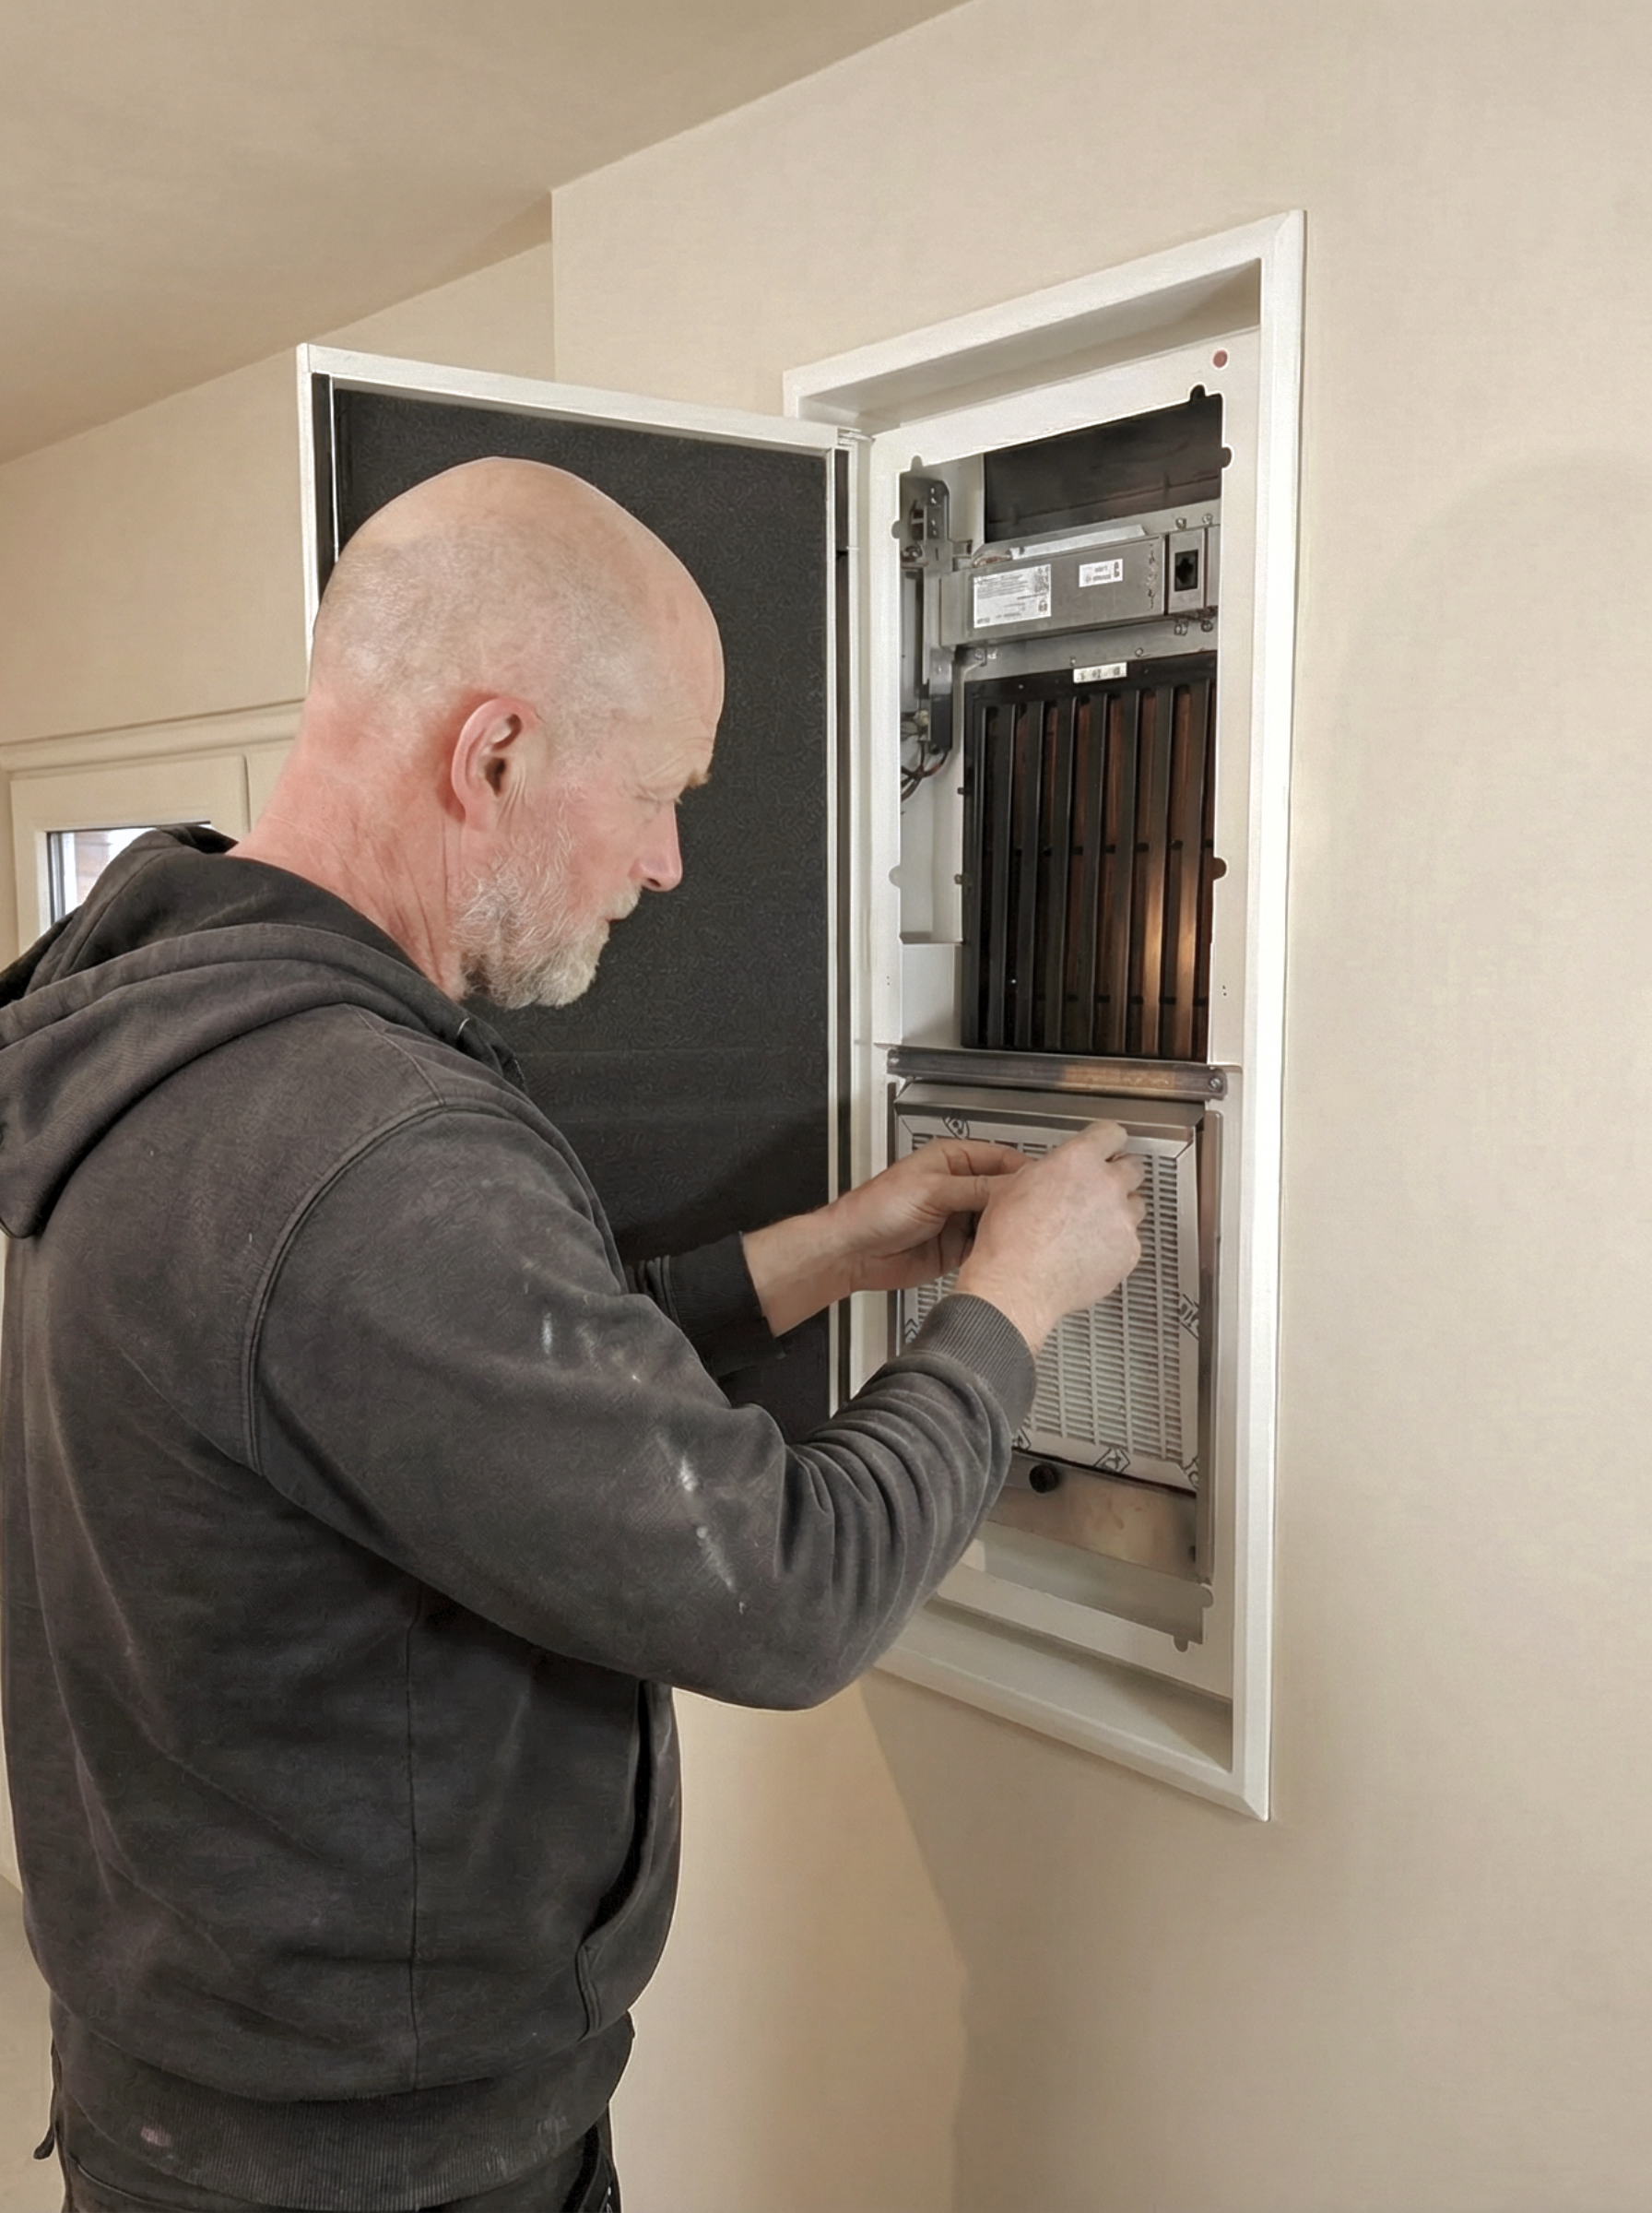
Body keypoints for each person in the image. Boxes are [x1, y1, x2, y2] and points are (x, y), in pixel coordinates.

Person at [0, 459, 1146, 2213]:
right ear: (496, 754)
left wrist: (824, 1256)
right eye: (661, 793)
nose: (667, 864)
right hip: (373, 2170)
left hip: (199, 2096)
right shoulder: (369, 1148)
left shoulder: (167, 1030)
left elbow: (432, 1399)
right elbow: (781, 1591)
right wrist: (1016, 1302)